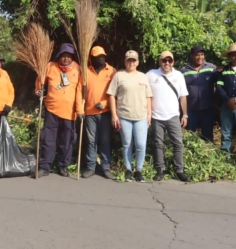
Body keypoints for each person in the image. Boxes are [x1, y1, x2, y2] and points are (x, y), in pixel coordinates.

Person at [35, 43, 84, 178]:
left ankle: (63, 166)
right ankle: (45, 167)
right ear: (59, 56)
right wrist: (39, 91)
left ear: (72, 57)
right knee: (48, 140)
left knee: (66, 141)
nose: (66, 59)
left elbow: (79, 92)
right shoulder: (50, 66)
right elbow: (40, 81)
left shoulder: (78, 70)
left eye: (69, 56)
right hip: (51, 110)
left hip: (70, 113)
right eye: (63, 56)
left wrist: (80, 111)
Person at [107, 50, 153, 182]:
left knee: (140, 144)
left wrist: (149, 113)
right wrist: (114, 115)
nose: (131, 62)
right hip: (124, 116)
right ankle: (128, 169)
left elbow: (148, 96)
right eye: (129, 60)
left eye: (134, 60)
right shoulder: (119, 76)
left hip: (141, 116)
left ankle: (139, 170)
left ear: (138, 62)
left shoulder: (143, 77)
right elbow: (111, 95)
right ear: (125, 61)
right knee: (127, 144)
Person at [147, 51, 190, 182]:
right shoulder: (151, 74)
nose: (167, 63)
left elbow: (183, 96)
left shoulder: (179, 75)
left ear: (173, 62)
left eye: (169, 61)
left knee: (178, 144)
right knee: (158, 144)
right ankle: (160, 169)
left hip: (173, 116)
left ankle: (179, 170)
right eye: (164, 60)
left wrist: (185, 115)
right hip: (156, 116)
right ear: (160, 61)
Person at [81, 46, 116, 180]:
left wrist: (105, 103)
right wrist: (81, 108)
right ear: (91, 59)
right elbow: (80, 90)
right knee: (91, 141)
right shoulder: (86, 72)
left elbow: (116, 93)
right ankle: (91, 167)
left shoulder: (112, 71)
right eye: (96, 57)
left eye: (102, 56)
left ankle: (106, 167)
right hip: (89, 112)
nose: (100, 59)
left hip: (105, 112)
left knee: (105, 140)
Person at [180, 44, 217, 142]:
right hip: (191, 110)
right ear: (191, 56)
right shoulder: (184, 71)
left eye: (202, 54)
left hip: (207, 109)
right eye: (197, 55)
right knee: (190, 137)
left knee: (208, 137)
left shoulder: (212, 68)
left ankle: (210, 155)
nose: (200, 57)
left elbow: (220, 84)